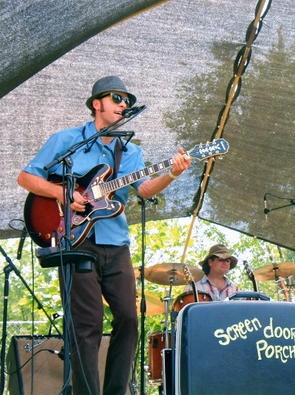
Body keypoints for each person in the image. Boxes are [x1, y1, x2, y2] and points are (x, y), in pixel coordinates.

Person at [17, 76, 191, 394]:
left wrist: (173, 171)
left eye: (126, 100)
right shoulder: (67, 140)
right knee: (87, 325)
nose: (123, 104)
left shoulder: (130, 152)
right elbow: (26, 177)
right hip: (75, 240)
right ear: (97, 103)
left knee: (128, 319)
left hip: (116, 243)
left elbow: (145, 188)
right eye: (116, 98)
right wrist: (63, 194)